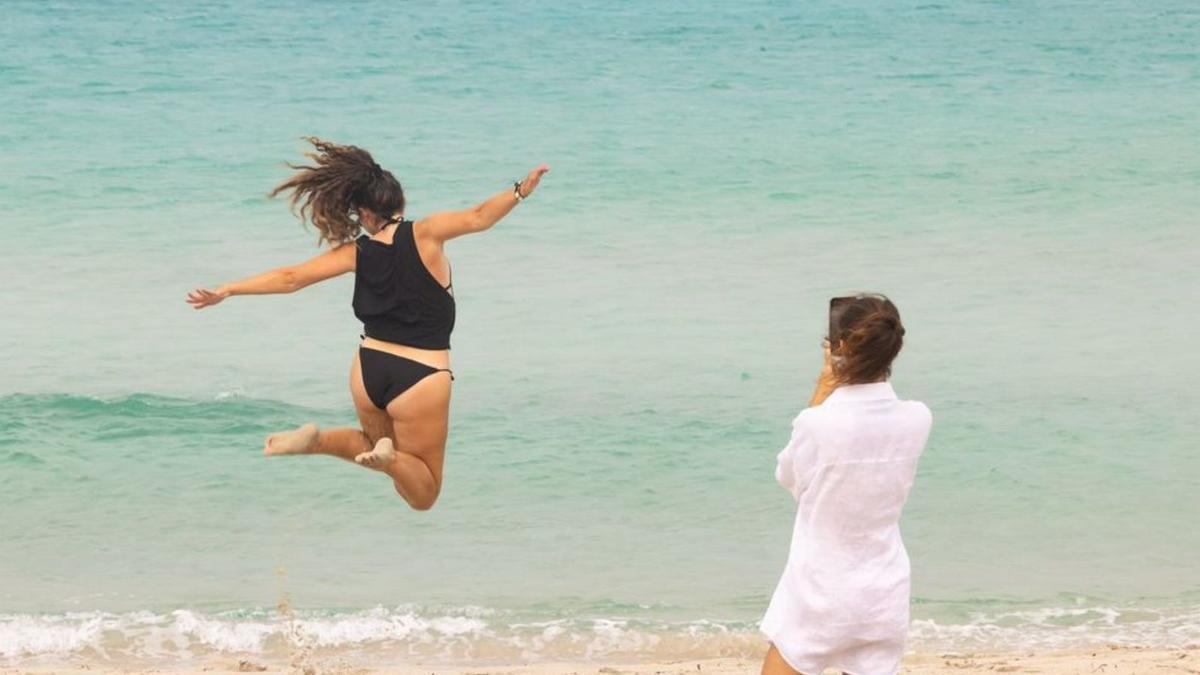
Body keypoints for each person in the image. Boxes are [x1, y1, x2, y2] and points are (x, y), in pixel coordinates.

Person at [187, 137, 549, 510]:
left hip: (368, 369)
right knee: (423, 492)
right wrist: (520, 191)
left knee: (375, 450)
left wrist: (230, 288)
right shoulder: (426, 234)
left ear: (365, 213)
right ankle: (386, 457)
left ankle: (318, 442)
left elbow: (291, 278)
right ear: (398, 202)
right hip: (422, 376)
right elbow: (479, 217)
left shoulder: (356, 252)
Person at [760, 294, 932, 675]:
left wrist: (822, 391)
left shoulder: (817, 423)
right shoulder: (918, 418)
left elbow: (788, 477)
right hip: (883, 594)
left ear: (837, 350)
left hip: (821, 594)